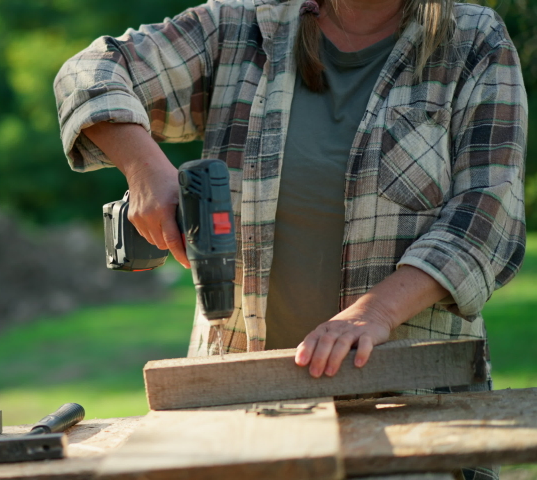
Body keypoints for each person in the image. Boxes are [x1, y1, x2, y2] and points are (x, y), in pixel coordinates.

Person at [55, 1, 526, 476]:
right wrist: (144, 167)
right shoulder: (239, 29)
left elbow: (487, 217)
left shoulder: (472, 40)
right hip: (238, 413)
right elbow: (88, 72)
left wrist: (376, 313)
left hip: (409, 412)